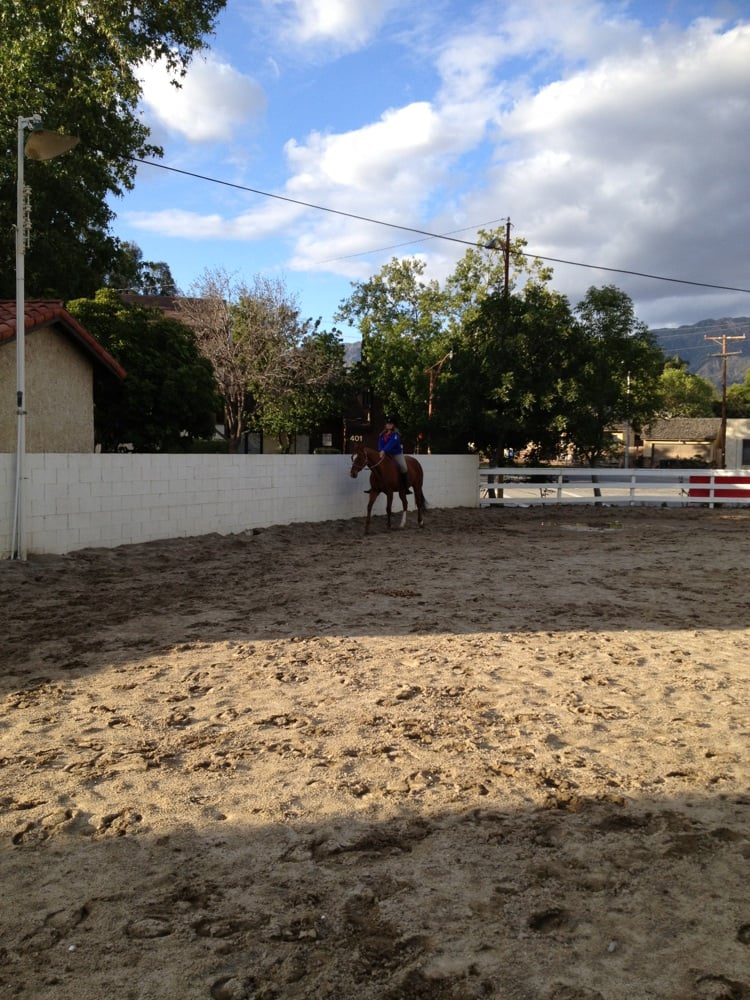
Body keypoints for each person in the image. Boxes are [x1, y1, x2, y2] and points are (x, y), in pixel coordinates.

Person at [378, 416, 411, 494]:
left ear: (393, 425)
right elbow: (380, 444)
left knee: (404, 467)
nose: (388, 425)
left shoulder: (395, 435)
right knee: (377, 465)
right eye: (387, 423)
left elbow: (391, 444)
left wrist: (383, 450)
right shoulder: (382, 435)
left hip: (396, 454)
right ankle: (375, 485)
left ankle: (405, 486)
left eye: (390, 424)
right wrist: (380, 450)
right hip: (385, 454)